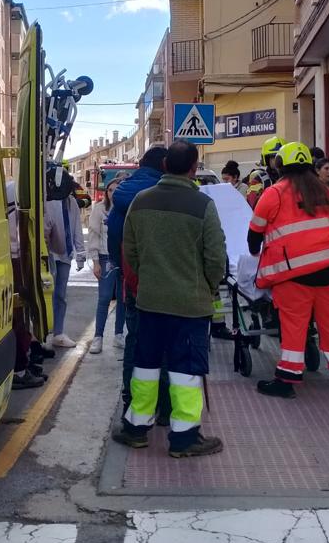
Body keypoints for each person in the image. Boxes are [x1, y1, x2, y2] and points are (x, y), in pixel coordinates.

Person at [112, 141, 226, 458]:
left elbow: (130, 252)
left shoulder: (140, 202)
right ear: (194, 168)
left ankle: (136, 429)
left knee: (145, 367)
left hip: (149, 302)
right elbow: (216, 257)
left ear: (164, 166)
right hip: (189, 306)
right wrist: (208, 287)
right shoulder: (202, 205)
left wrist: (146, 282)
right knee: (185, 372)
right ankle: (184, 438)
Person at [249, 142, 329, 398]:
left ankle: (287, 380)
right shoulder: (327, 192)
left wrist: (256, 252)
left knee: (294, 327)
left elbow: (255, 233)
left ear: (280, 167)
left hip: (294, 275)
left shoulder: (274, 193)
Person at [108, 146, 171, 413]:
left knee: (135, 341)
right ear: (165, 166)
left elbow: (114, 236)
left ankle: (130, 400)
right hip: (167, 281)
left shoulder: (122, 195)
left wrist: (123, 268)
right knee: (168, 343)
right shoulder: (166, 194)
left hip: (133, 281)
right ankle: (164, 406)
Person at [7, 181, 45, 388]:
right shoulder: (15, 207)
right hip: (14, 262)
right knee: (17, 320)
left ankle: (25, 364)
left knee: (21, 320)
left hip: (15, 261)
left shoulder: (9, 201)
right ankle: (20, 370)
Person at [88, 176, 127, 354]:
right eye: (110, 190)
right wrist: (95, 262)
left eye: (116, 190)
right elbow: (93, 235)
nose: (112, 194)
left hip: (124, 259)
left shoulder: (126, 209)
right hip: (106, 258)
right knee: (104, 298)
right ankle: (98, 337)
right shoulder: (99, 209)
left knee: (123, 298)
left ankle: (119, 335)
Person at [45, 182, 86, 348]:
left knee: (60, 294)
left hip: (64, 255)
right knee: (45, 293)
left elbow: (76, 227)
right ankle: (40, 334)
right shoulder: (46, 201)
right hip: (47, 254)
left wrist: (81, 254)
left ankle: (58, 333)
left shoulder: (71, 202)